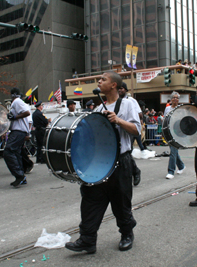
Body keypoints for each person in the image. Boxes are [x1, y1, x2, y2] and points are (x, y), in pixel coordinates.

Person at [65, 71, 141, 253]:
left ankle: (127, 234)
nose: (99, 82)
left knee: (121, 202)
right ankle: (87, 240)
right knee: (91, 200)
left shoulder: (128, 104)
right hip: (99, 163)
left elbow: (136, 130)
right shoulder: (98, 109)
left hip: (120, 162)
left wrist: (118, 120)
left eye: (103, 79)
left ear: (114, 85)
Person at [4, 88, 31, 187]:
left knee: (8, 151)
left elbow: (26, 113)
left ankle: (19, 175)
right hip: (18, 131)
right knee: (16, 153)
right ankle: (21, 177)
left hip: (18, 131)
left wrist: (15, 117)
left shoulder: (17, 101)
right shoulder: (17, 102)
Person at [118, 82, 142, 186]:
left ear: (126, 90)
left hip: (129, 129)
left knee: (127, 153)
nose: (120, 90)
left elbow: (139, 114)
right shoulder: (115, 101)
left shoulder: (131, 101)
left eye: (122, 88)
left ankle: (135, 172)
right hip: (119, 130)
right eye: (119, 88)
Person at [164, 91, 185, 179]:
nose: (175, 99)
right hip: (169, 131)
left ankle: (171, 171)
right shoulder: (167, 109)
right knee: (174, 151)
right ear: (171, 99)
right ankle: (181, 166)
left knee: (173, 151)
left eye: (177, 98)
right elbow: (165, 120)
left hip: (177, 132)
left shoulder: (181, 108)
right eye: (174, 97)